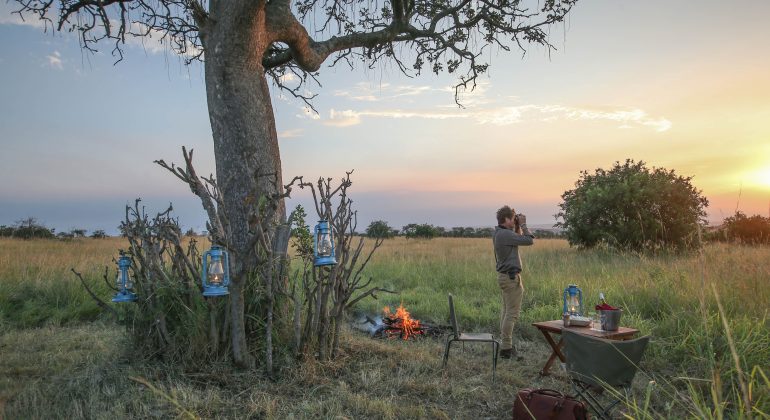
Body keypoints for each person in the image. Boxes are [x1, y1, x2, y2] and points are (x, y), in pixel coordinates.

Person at [493, 205, 534, 359]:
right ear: (507, 219)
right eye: (513, 218)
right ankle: (506, 349)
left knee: (506, 312)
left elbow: (516, 239)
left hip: (506, 277)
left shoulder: (500, 233)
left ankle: (506, 346)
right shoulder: (505, 235)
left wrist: (516, 225)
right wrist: (523, 224)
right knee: (511, 314)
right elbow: (529, 240)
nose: (515, 220)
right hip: (510, 278)